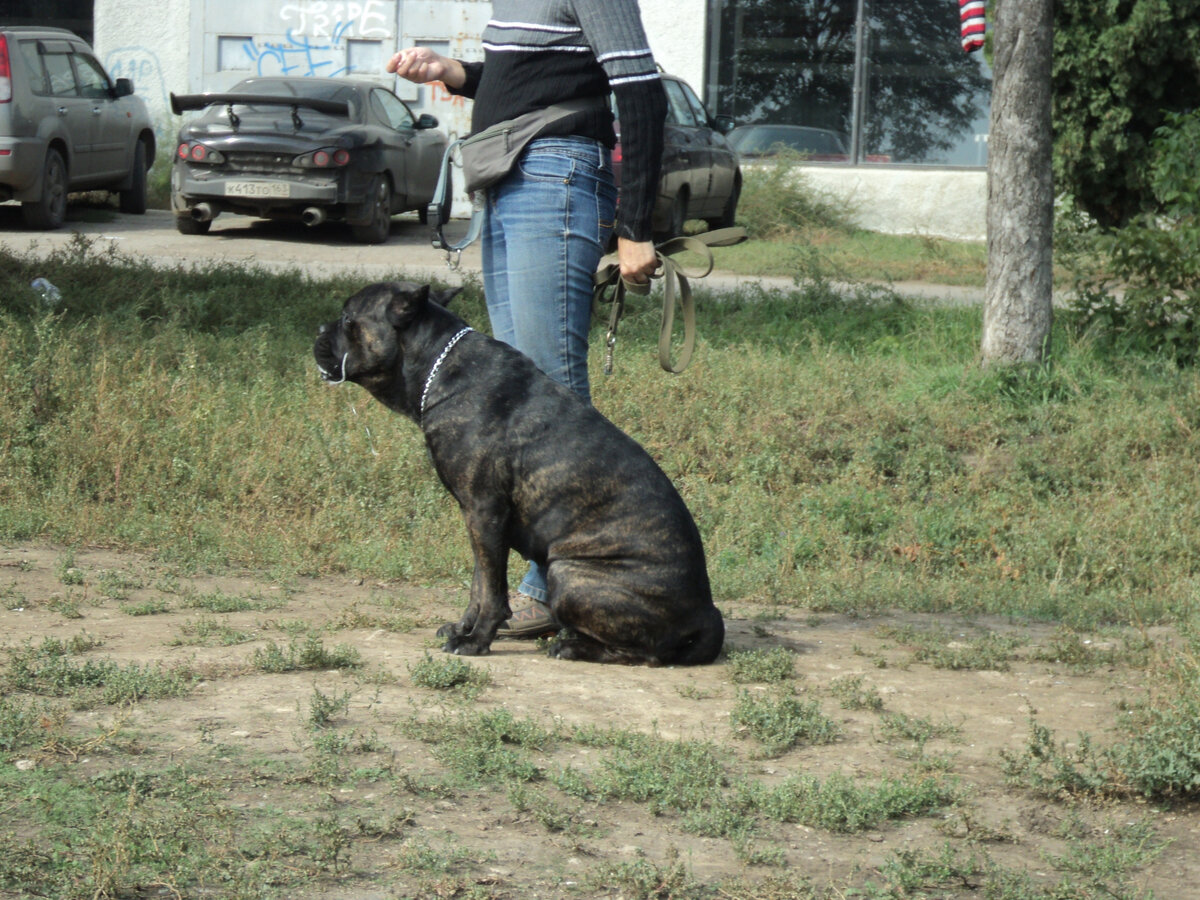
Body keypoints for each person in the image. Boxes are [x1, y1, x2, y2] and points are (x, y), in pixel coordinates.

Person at [387, 1, 667, 638]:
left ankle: (563, 583)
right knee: (521, 396)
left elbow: (641, 91)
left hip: (554, 175)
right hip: (510, 176)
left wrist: (635, 227)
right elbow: (539, 78)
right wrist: (457, 73)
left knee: (552, 393)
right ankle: (551, 581)